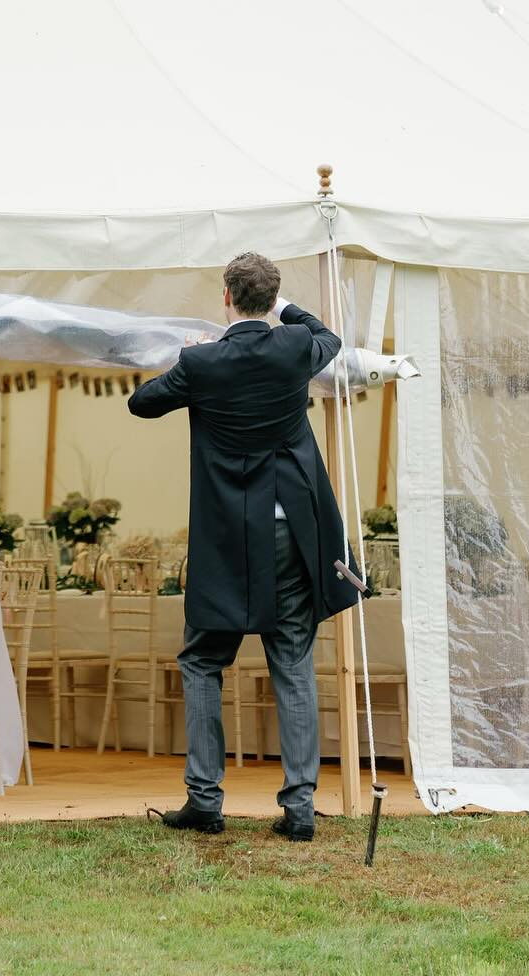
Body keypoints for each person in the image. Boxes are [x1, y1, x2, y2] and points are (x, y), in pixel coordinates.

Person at [128, 251, 358, 842]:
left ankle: (204, 800)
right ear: (271, 298)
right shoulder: (294, 348)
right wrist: (282, 308)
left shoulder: (201, 361)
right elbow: (327, 335)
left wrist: (189, 357)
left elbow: (142, 402)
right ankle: (300, 808)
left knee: (203, 660)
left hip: (228, 533)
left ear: (225, 297)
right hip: (292, 529)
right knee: (292, 662)